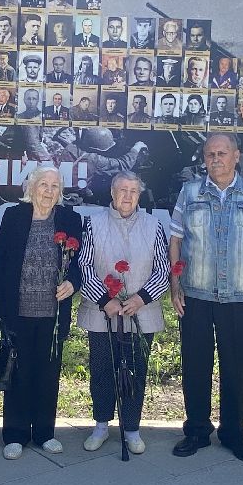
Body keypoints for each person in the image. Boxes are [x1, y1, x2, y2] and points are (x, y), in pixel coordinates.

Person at [169, 134, 243, 462]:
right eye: (210, 154)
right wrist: (175, 282)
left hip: (241, 296)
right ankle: (197, 431)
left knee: (235, 368)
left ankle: (233, 434)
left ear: (236, 156)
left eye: (222, 153)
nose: (216, 159)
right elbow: (175, 240)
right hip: (196, 294)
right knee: (195, 366)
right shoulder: (189, 193)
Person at [0, 167, 82, 458]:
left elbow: (80, 263)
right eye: (43, 184)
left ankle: (44, 433)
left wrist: (72, 282)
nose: (49, 191)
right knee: (18, 373)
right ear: (31, 188)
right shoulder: (15, 217)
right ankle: (15, 435)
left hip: (52, 314)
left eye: (55, 186)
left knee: (47, 374)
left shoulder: (70, 219)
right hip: (18, 311)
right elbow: (1, 265)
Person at [77, 172, 169, 454]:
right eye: (122, 190)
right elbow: (85, 266)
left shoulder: (154, 225)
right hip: (103, 313)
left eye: (133, 191)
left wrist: (140, 299)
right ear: (112, 194)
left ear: (139, 196)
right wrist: (106, 300)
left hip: (140, 313)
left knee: (135, 370)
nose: (127, 196)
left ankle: (132, 428)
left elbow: (163, 270)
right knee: (102, 369)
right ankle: (102, 425)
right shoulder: (94, 224)